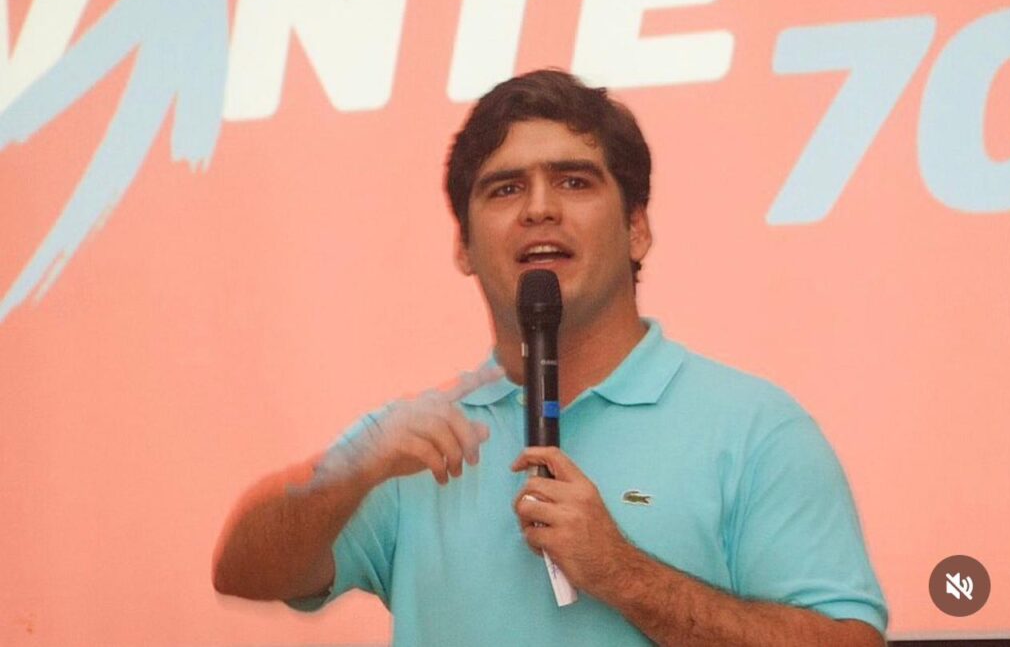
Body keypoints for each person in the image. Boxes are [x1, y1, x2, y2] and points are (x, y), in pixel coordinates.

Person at [213, 69, 888, 646]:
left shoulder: (754, 428)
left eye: (573, 181)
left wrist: (623, 572)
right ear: (463, 246)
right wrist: (347, 472)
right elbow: (244, 570)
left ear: (637, 228)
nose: (539, 208)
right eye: (505, 188)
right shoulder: (414, 442)